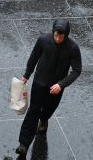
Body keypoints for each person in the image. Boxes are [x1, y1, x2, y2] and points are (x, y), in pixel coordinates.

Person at [16, 20, 82, 159]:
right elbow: (34, 57)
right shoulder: (43, 40)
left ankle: (44, 120)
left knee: (49, 109)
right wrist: (27, 75)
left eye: (61, 37)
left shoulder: (73, 48)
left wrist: (61, 84)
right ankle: (24, 143)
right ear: (53, 32)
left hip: (56, 87)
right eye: (56, 36)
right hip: (39, 83)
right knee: (33, 111)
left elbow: (77, 70)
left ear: (66, 35)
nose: (58, 39)